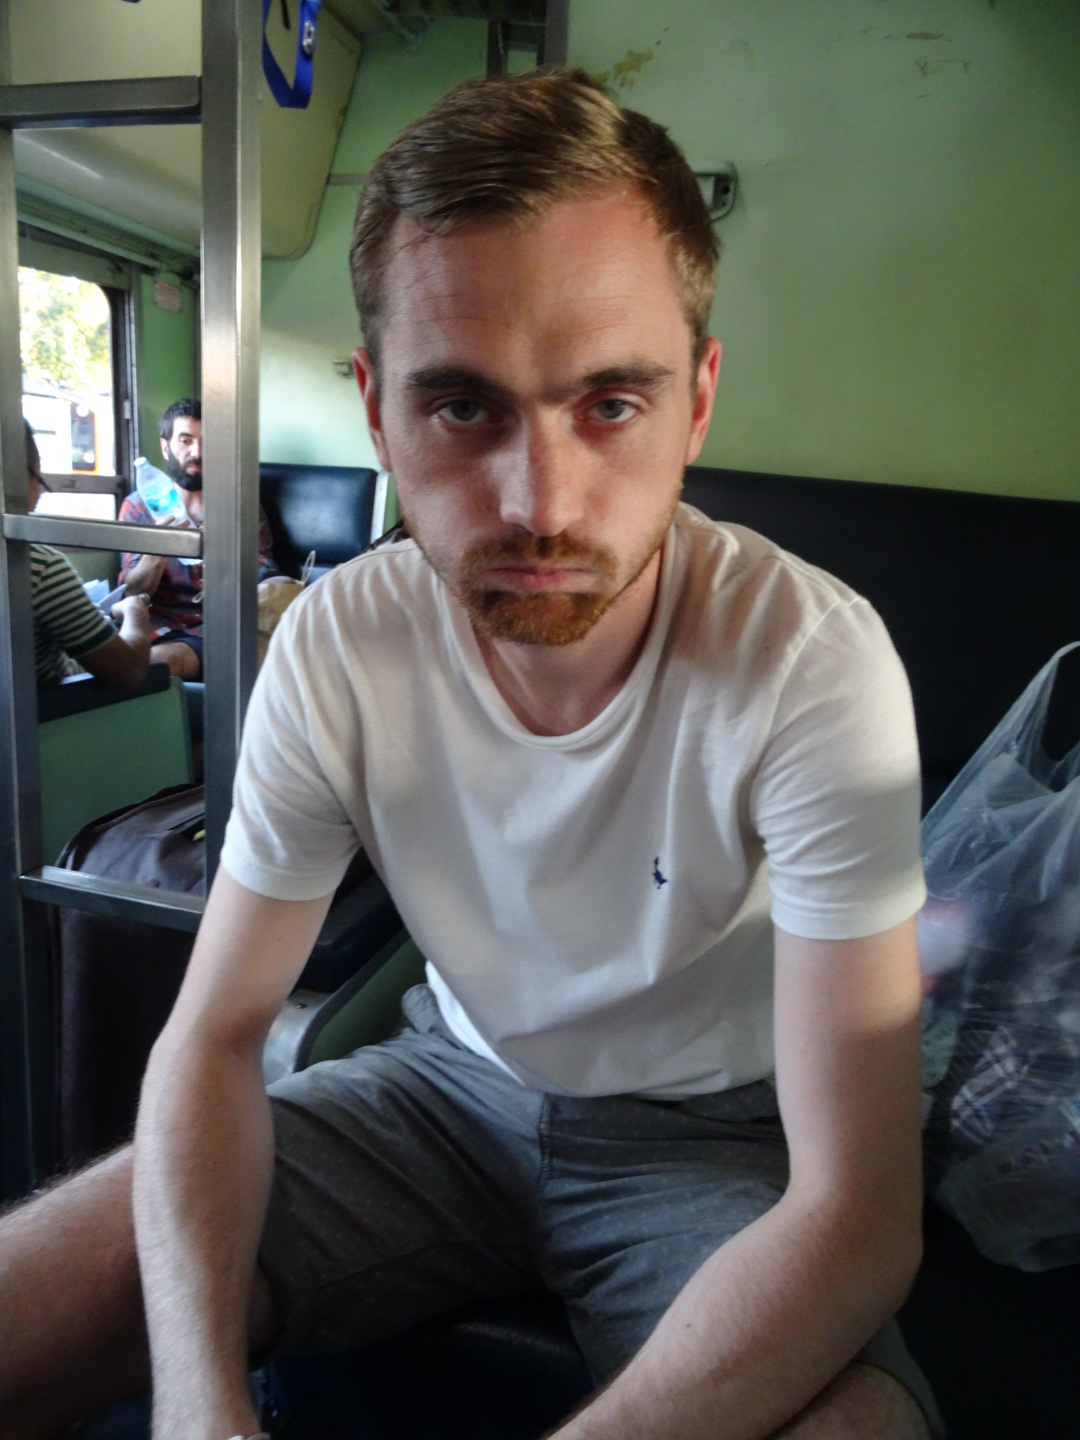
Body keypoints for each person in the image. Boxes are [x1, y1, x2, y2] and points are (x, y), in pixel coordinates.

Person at [0, 70, 941, 1440]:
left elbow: (859, 1213)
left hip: (717, 1141)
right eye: (462, 408)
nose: (538, 502)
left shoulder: (810, 665)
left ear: (697, 404)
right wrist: (198, 1407)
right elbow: (214, 1037)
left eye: (610, 404)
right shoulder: (337, 644)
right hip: (440, 1092)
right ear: (378, 409)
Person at [118, 398, 278, 680]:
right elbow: (131, 592)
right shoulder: (139, 507)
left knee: (158, 662)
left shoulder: (240, 507)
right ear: (165, 447)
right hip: (157, 624)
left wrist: (221, 555)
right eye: (186, 441)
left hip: (219, 626)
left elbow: (266, 579)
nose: (198, 452)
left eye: (207, 442)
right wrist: (157, 553)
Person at [25, 422, 151, 692]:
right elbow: (129, 673)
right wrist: (135, 612)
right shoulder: (40, 568)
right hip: (66, 709)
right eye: (39, 479)